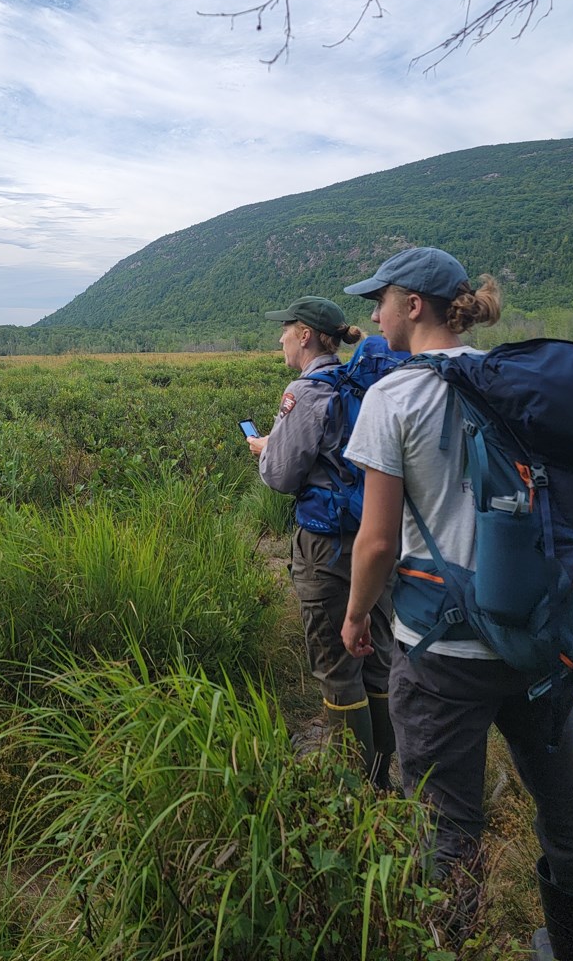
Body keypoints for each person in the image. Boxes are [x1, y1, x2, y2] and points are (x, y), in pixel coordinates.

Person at [339, 247, 573, 960]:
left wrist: (352, 616)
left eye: (382, 301)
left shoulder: (393, 398)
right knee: (566, 803)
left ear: (415, 306)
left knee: (444, 823)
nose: (373, 316)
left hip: (441, 654)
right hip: (535, 639)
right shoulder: (516, 383)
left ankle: (443, 945)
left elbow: (374, 544)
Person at [247, 294, 396, 786]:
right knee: (376, 660)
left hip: (325, 547)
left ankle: (351, 796)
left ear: (306, 334)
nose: (281, 338)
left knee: (337, 667)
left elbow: (282, 476)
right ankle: (381, 778)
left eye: (286, 329)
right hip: (375, 536)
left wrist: (266, 451)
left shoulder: (306, 391)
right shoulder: (362, 384)